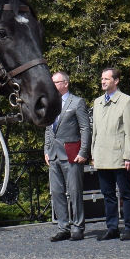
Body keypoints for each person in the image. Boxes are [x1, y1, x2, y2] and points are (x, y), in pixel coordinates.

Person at [44, 71, 91, 241]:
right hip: (54, 155)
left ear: (66, 83)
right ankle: (63, 227)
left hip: (71, 153)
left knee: (74, 192)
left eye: (56, 82)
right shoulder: (51, 103)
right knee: (57, 192)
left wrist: (83, 152)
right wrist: (46, 150)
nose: (53, 86)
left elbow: (85, 128)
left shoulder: (77, 102)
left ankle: (78, 226)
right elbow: (48, 128)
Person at [91, 67, 130, 241]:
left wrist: (128, 155)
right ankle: (112, 227)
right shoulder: (97, 102)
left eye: (106, 79)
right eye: (102, 78)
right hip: (102, 155)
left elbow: (129, 132)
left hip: (119, 156)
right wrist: (93, 152)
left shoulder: (126, 101)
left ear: (116, 81)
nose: (103, 81)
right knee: (107, 194)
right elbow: (95, 130)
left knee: (125, 193)